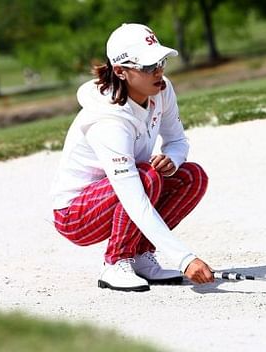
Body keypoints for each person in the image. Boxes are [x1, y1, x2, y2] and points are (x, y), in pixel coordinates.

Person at [50, 23, 214, 292]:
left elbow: (177, 141)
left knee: (191, 176)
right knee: (146, 177)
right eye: (148, 67)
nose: (158, 71)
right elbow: (132, 197)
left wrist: (172, 158)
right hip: (75, 215)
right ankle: (115, 263)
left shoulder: (162, 90)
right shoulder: (107, 120)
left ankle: (139, 255)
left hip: (124, 191)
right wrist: (185, 259)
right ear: (121, 71)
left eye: (160, 62)